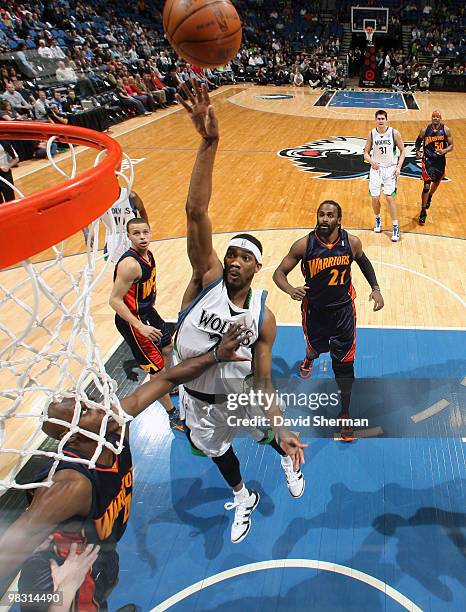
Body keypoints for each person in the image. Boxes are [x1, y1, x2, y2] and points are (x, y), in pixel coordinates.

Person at [0, 326, 246, 610]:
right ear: (76, 435)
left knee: (105, 584)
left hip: (100, 553)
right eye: (85, 410)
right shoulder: (70, 485)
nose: (95, 405)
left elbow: (167, 378)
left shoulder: (114, 426)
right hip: (62, 581)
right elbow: (11, 548)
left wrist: (215, 354)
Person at [175, 81, 307, 544]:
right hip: (196, 399)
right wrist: (209, 143)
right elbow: (195, 211)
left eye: (243, 258)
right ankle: (242, 495)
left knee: (267, 434)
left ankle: (287, 460)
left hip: (240, 397)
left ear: (256, 267)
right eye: (229, 254)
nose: (233, 261)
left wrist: (281, 424)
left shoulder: (263, 317)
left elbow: (265, 381)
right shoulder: (205, 280)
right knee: (216, 453)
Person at [272, 200, 384, 440]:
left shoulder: (351, 243)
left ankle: (345, 413)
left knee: (344, 367)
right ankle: (309, 357)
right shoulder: (304, 245)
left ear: (339, 220)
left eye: (330, 215)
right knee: (315, 348)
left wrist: (375, 288)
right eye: (321, 214)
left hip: (344, 313)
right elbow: (278, 273)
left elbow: (364, 262)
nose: (324, 218)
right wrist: (291, 289)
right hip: (314, 312)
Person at [109, 218, 182, 430]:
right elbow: (114, 300)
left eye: (145, 232)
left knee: (168, 346)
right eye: (136, 233)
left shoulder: (148, 255)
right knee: (156, 369)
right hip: (132, 321)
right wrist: (140, 326)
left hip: (147, 312)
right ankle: (171, 412)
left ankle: (167, 386)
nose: (142, 237)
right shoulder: (129, 265)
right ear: (129, 236)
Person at [363, 110, 405, 242]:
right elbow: (365, 153)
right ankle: (377, 219)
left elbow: (403, 151)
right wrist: (371, 161)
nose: (380, 121)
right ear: (375, 120)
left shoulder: (394, 133)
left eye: (383, 118)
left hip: (390, 169)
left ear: (386, 120)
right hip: (376, 169)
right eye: (378, 118)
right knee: (375, 198)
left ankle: (395, 227)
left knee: (389, 198)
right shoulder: (371, 133)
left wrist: (398, 167)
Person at [414, 110, 454, 225]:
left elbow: (451, 146)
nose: (435, 118)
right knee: (426, 185)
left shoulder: (446, 130)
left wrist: (444, 150)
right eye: (433, 117)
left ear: (440, 118)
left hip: (439, 160)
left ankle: (430, 195)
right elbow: (418, 141)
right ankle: (423, 211)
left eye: (437, 117)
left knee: (436, 182)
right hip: (427, 161)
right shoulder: (425, 130)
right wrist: (418, 151)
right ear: (431, 118)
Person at [102, 189, 149, 263]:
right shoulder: (99, 199)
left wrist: (146, 230)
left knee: (139, 263)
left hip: (132, 235)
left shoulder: (130, 196)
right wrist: (87, 232)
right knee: (120, 266)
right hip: (114, 236)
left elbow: (142, 210)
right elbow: (84, 212)